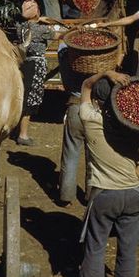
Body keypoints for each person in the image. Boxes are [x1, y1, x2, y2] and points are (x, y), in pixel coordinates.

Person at [74, 70, 139, 277]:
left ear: (97, 101)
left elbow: (86, 85)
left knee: (96, 246)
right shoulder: (133, 121)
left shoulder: (90, 118)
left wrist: (106, 72)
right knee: (127, 249)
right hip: (135, 196)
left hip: (105, 196)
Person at [16, 0, 55, 145]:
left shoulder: (21, 27)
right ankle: (23, 135)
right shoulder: (41, 30)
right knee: (31, 99)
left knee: (25, 95)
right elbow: (58, 35)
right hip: (36, 65)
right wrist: (46, 22)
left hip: (25, 63)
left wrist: (38, 20)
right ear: (37, 12)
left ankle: (20, 131)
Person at [57, 42, 88, 206]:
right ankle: (92, 195)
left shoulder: (65, 58)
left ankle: (66, 196)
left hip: (74, 106)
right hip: (93, 109)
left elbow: (62, 45)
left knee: (70, 153)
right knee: (94, 157)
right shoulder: (94, 63)